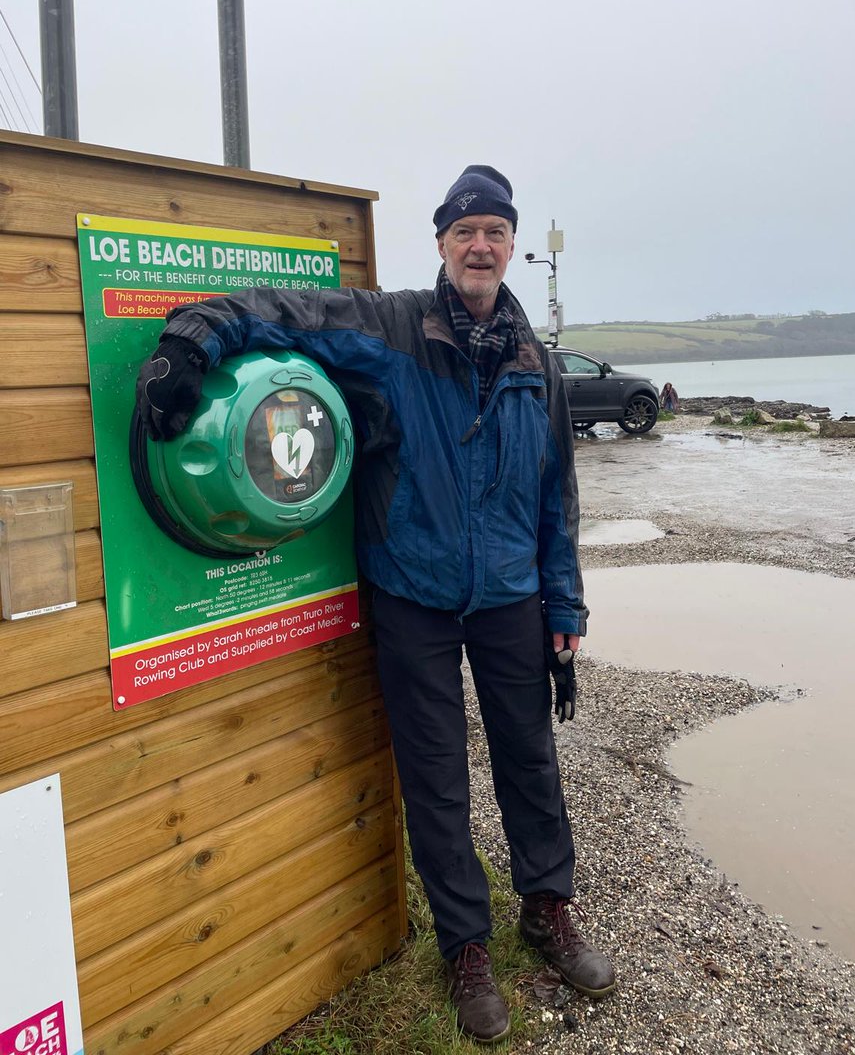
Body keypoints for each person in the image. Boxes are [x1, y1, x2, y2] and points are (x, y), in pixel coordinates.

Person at [137, 165, 615, 1044]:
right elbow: (282, 310)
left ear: (512, 246)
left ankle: (548, 909)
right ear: (441, 243)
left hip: (511, 598)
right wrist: (196, 336)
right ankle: (465, 947)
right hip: (413, 596)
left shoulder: (537, 364)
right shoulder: (390, 326)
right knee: (435, 779)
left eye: (494, 232)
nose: (480, 246)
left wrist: (565, 609)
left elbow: (559, 498)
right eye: (465, 231)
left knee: (530, 761)